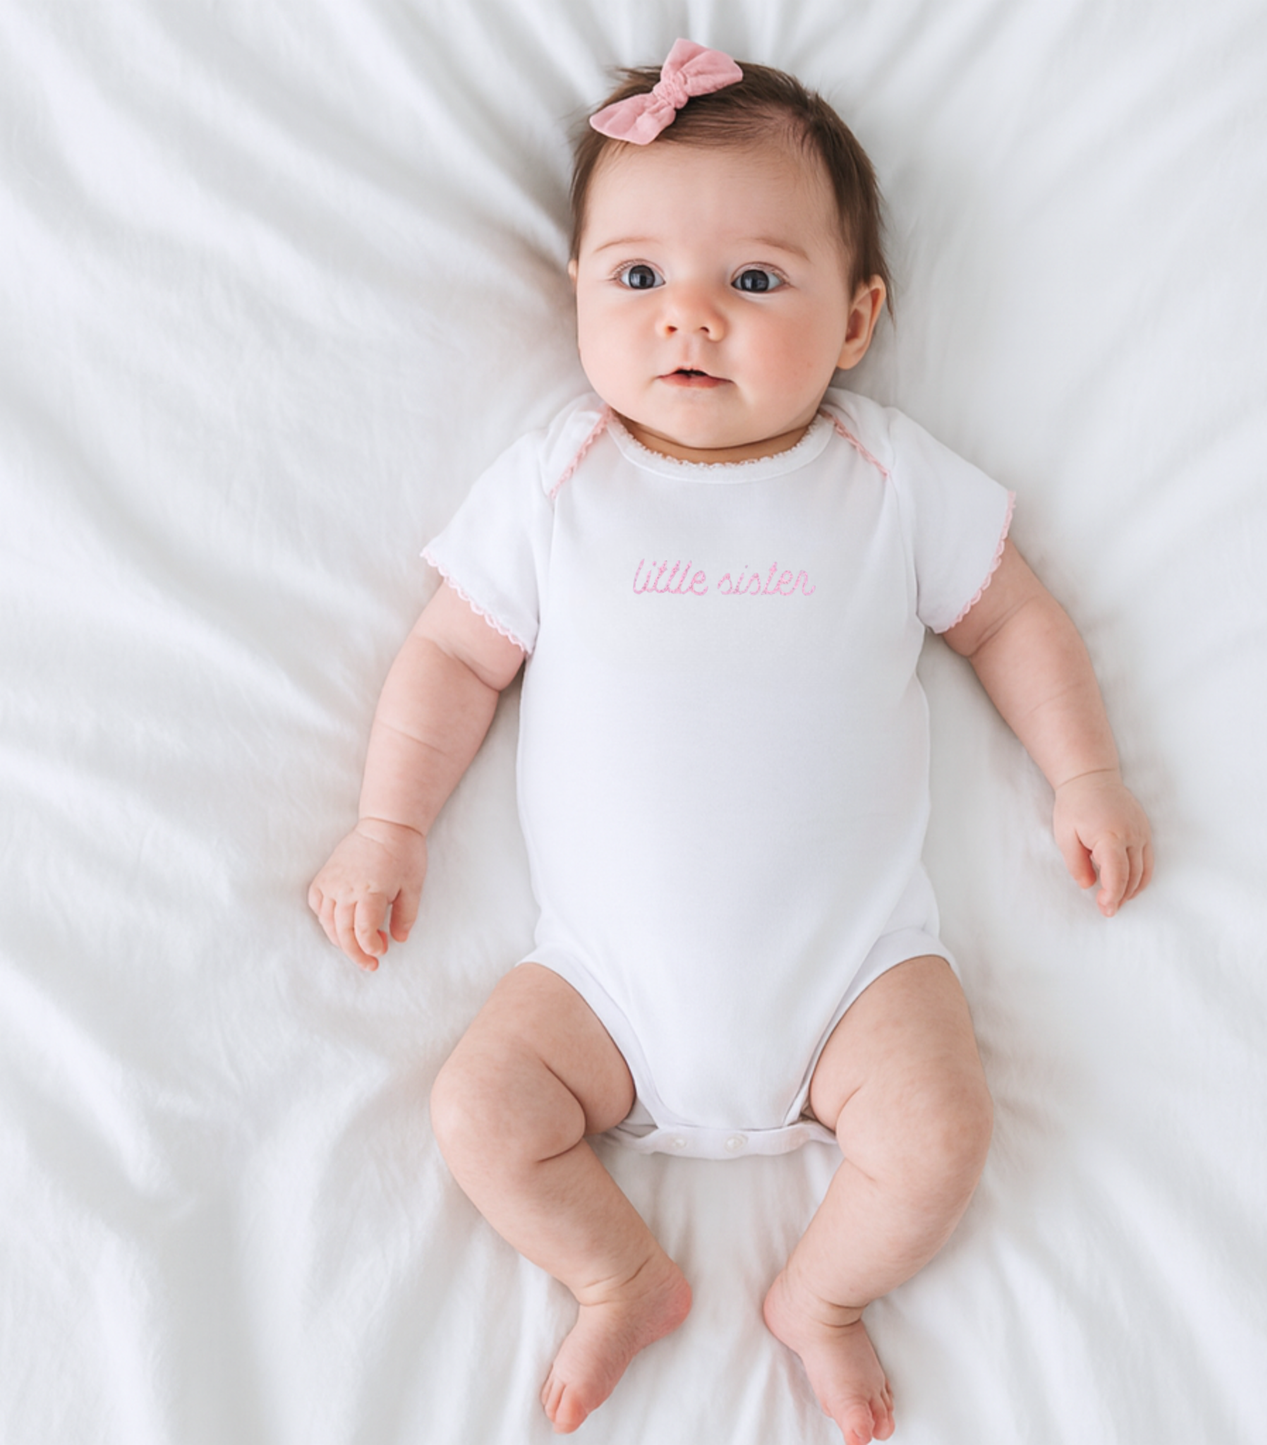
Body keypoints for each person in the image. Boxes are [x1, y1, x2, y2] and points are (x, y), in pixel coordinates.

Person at [308, 39, 1153, 1445]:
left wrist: (1088, 772)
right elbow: (454, 656)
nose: (688, 318)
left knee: (940, 1135)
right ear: (577, 295)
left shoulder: (888, 481)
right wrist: (388, 824)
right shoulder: (558, 487)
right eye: (637, 279)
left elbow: (1014, 623)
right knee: (477, 1110)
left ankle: (819, 1299)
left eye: (753, 281)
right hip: (598, 991)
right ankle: (614, 1273)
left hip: (855, 980)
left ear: (856, 316)